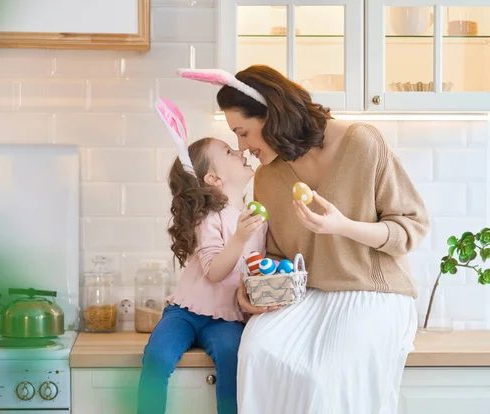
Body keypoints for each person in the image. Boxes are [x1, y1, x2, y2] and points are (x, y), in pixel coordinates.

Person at [177, 65, 430, 413]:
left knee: (327, 377)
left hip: (372, 292)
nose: (242, 146)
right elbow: (278, 255)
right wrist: (249, 291)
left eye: (244, 132)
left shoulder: (362, 143)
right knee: (256, 351)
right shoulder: (268, 176)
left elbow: (411, 228)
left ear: (271, 117)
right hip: (306, 296)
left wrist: (344, 226)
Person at [137, 99, 267, 414]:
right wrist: (239, 237)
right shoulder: (209, 217)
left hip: (227, 316)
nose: (240, 150)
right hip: (186, 312)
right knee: (157, 355)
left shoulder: (254, 217)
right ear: (213, 179)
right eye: (228, 151)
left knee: (233, 358)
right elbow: (214, 271)